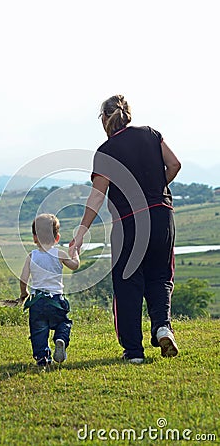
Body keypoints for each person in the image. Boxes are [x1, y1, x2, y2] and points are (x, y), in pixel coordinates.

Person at [70, 94, 181, 364]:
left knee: (127, 283)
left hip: (129, 222)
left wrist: (82, 230)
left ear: (105, 119)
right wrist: (156, 190)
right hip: (162, 216)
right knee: (160, 276)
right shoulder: (152, 134)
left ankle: (133, 352)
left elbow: (97, 196)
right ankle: (162, 327)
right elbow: (175, 165)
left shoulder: (107, 151)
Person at [20, 213, 80, 366]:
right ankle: (61, 338)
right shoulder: (59, 254)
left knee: (38, 331)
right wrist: (75, 253)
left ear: (34, 237)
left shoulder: (31, 256)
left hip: (37, 302)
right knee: (63, 323)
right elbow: (75, 265)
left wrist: (24, 293)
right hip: (56, 300)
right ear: (57, 237)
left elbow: (23, 279)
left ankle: (42, 359)